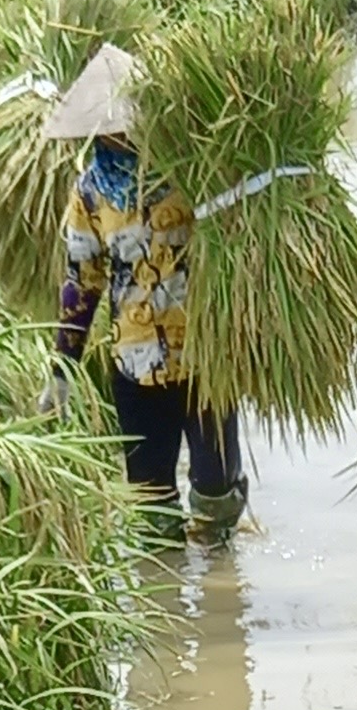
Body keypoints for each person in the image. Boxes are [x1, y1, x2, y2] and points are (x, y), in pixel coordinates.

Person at [41, 43, 247, 538]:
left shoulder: (195, 170)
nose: (121, 133)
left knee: (214, 491)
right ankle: (168, 607)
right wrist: (61, 370)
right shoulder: (90, 191)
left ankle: (224, 581)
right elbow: (82, 280)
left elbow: (243, 239)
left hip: (204, 355)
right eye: (109, 126)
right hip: (135, 362)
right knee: (153, 512)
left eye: (128, 121)